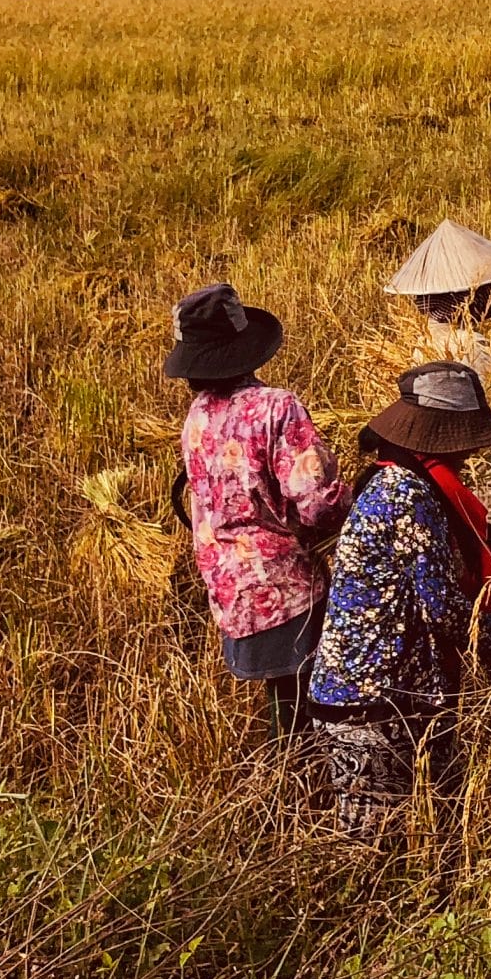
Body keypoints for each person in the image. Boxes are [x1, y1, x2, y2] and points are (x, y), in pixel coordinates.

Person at [309, 360, 491, 845]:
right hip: (370, 700)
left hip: (374, 693)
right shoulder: (408, 494)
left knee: (402, 835)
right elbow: (440, 606)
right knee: (370, 852)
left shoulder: (394, 480)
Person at [167, 283, 347, 743]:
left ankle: (284, 782)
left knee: (282, 692)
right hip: (283, 584)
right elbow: (317, 503)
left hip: (228, 582)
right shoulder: (276, 408)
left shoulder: (198, 415)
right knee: (307, 702)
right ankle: (298, 791)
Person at [385, 220, 491, 538]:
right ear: (472, 295)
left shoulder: (423, 342)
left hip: (441, 474)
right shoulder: (470, 347)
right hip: (481, 479)